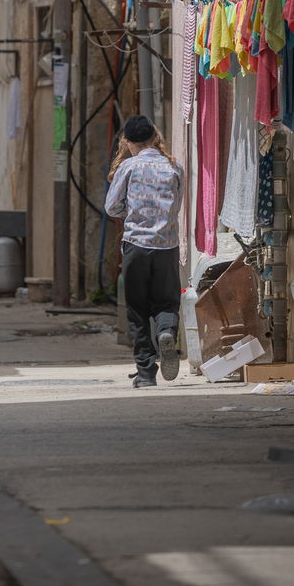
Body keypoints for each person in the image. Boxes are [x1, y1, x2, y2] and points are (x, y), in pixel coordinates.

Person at [104, 115, 184, 388]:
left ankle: (147, 373)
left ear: (127, 143)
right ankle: (165, 332)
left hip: (136, 247)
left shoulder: (128, 167)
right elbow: (176, 206)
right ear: (154, 137)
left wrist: (133, 211)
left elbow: (112, 207)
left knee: (137, 310)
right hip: (167, 247)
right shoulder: (174, 167)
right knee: (166, 302)